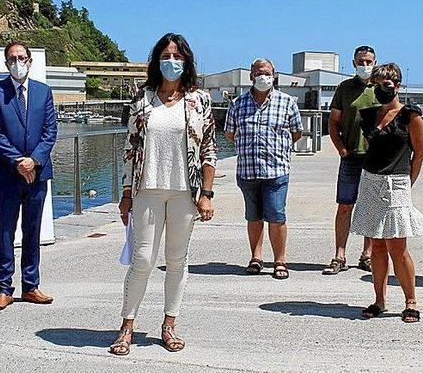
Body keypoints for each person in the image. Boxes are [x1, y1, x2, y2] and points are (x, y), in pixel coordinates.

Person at [109, 33, 217, 356]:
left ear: (186, 61)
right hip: (147, 190)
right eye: (166, 55)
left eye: (178, 56)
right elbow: (131, 147)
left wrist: (207, 193)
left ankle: (169, 325)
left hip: (186, 192)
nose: (172, 61)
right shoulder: (142, 98)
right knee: (142, 259)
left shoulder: (200, 99)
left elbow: (210, 148)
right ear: (157, 60)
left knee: (176, 261)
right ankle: (127, 325)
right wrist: (126, 193)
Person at [350, 63, 423, 323]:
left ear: (397, 86)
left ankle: (411, 301)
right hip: (371, 181)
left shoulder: (410, 115)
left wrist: (409, 182)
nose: (381, 89)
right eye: (376, 85)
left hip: (396, 183)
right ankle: (379, 300)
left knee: (398, 246)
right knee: (376, 246)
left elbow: (419, 153)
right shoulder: (369, 115)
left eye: (386, 85)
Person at [0, 40, 58, 310]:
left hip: (37, 175)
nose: (18, 62)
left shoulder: (43, 92)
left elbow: (50, 131)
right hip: (6, 175)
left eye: (22, 57)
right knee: (4, 232)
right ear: (6, 64)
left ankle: (31, 286)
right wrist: (18, 162)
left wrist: (34, 161)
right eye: (12, 58)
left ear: (30, 60)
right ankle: (4, 288)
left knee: (32, 231)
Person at [225, 58, 303, 279]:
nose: (262, 76)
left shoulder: (287, 102)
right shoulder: (237, 104)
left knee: (277, 215)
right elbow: (230, 134)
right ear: (251, 76)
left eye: (267, 72)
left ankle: (280, 261)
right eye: (258, 72)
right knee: (253, 217)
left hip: (276, 171)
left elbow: (296, 133)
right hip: (247, 171)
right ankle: (256, 258)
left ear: (274, 75)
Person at [324, 45, 376, 275]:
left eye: (369, 61)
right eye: (361, 61)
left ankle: (368, 254)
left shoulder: (381, 87)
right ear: (354, 63)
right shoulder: (344, 88)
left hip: (376, 159)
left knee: (372, 207)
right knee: (345, 206)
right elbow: (333, 122)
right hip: (351, 157)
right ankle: (339, 254)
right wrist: (341, 149)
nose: (365, 65)